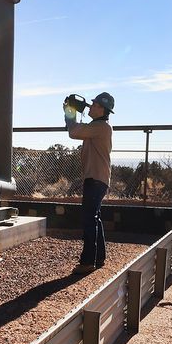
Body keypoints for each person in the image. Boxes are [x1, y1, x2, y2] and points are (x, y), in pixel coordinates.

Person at [63, 91, 114, 271]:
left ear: (102, 109)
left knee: (89, 219)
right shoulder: (99, 126)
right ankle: (98, 258)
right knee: (95, 217)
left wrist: (70, 111)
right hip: (98, 178)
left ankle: (87, 262)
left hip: (95, 178)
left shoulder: (100, 127)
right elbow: (77, 130)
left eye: (94, 104)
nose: (90, 106)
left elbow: (74, 131)